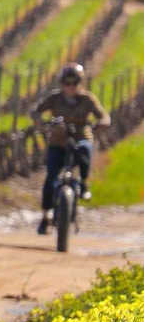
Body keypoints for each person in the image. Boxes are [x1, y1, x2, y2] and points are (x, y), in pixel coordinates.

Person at [30, 62, 109, 235]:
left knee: (85, 150)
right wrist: (40, 123)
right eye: (67, 83)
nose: (71, 87)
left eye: (75, 83)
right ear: (62, 83)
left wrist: (99, 125)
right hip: (58, 142)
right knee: (51, 176)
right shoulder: (54, 98)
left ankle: (84, 183)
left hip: (80, 138)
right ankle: (46, 215)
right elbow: (35, 111)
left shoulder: (88, 99)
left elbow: (103, 116)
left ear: (81, 83)